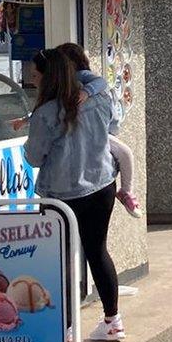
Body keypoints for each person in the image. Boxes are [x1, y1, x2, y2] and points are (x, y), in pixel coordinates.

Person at [23, 49, 126, 342]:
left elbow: (34, 157)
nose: (32, 79)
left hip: (62, 194)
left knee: (62, 259)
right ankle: (113, 321)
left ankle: (66, 332)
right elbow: (113, 128)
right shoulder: (100, 98)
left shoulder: (45, 113)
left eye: (35, 75)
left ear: (48, 78)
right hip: (102, 184)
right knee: (97, 251)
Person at [56, 43, 142, 218]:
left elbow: (100, 82)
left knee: (125, 153)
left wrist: (87, 92)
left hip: (89, 136)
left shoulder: (78, 78)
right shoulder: (67, 83)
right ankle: (126, 191)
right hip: (94, 136)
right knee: (125, 154)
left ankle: (126, 191)